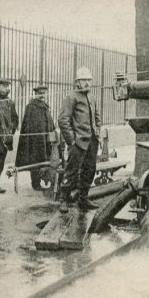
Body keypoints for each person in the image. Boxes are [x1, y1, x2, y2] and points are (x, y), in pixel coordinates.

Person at [57, 67, 102, 213]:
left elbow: (97, 117)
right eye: (84, 80)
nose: (87, 83)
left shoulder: (92, 97)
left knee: (90, 170)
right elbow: (63, 120)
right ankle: (63, 199)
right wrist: (72, 141)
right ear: (77, 82)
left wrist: (98, 133)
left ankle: (83, 198)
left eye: (89, 80)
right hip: (78, 142)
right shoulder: (71, 97)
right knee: (71, 171)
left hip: (92, 141)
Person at [15, 85, 55, 190]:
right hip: (35, 141)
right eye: (40, 94)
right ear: (36, 94)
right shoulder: (31, 107)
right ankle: (35, 183)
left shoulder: (45, 106)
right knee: (35, 160)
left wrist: (52, 134)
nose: (42, 96)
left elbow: (50, 123)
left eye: (44, 93)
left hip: (46, 139)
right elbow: (27, 126)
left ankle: (46, 180)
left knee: (45, 160)